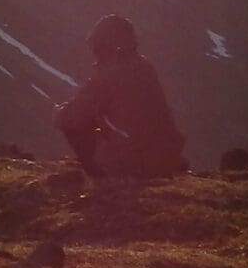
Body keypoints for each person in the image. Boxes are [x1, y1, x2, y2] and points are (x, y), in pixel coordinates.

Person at [54, 14, 186, 179]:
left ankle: (103, 176)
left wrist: (59, 113)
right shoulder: (144, 66)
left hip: (132, 165)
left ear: (102, 44)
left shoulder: (108, 73)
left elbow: (76, 115)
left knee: (73, 124)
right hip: (166, 160)